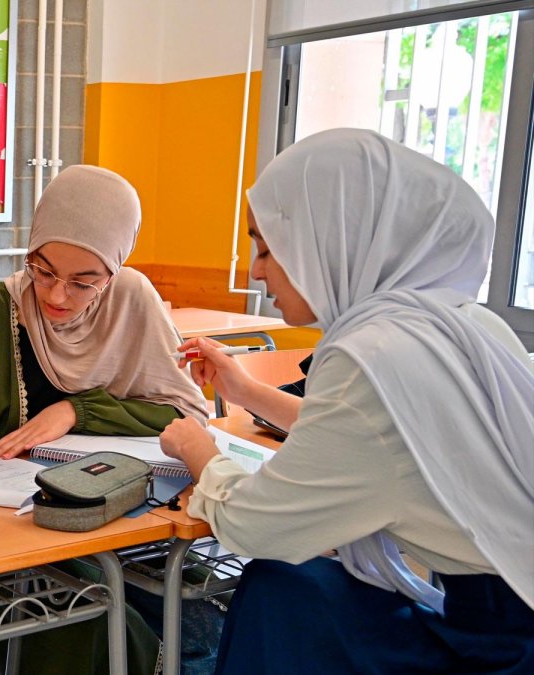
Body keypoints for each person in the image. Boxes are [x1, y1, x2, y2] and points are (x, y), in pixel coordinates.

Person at [160, 128, 534, 673]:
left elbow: (256, 526)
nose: (257, 270)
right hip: (507, 603)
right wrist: (243, 391)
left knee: (282, 587)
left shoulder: (370, 354)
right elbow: (390, 438)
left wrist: (197, 449)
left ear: (331, 241)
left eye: (267, 247)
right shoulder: (458, 323)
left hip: (501, 641)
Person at [0, 164, 211, 674]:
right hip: (21, 543)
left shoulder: (133, 302)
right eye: (42, 271)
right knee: (88, 611)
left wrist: (77, 409)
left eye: (84, 283)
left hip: (129, 523)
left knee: (202, 608)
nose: (57, 296)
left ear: (112, 273)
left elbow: (181, 416)